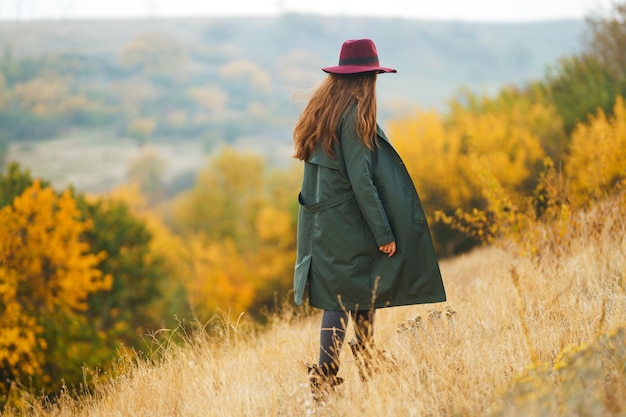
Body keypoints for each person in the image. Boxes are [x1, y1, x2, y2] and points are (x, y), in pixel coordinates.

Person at [292, 38, 446, 399]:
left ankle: (368, 360)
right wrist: (383, 232)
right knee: (342, 298)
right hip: (347, 223)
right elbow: (361, 180)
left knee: (356, 290)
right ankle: (325, 379)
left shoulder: (324, 108)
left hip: (326, 224)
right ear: (367, 78)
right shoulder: (354, 113)